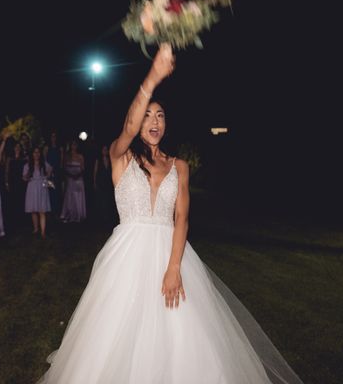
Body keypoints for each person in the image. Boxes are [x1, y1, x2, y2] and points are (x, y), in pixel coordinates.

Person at [36, 44, 303, 383]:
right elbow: (129, 127)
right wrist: (153, 78)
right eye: (148, 114)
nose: (154, 121)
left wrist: (174, 268)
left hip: (172, 255)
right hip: (127, 256)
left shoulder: (180, 167)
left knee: (184, 337)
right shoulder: (121, 157)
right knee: (116, 333)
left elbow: (182, 219)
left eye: (160, 115)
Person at [23, 146, 52, 238]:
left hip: (41, 186)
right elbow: (24, 178)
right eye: (35, 152)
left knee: (42, 210)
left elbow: (50, 170)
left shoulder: (44, 164)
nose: (36, 154)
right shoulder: (28, 165)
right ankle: (36, 228)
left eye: (38, 152)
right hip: (32, 186)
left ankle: (43, 231)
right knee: (33, 209)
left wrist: (47, 176)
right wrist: (28, 175)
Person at [59, 139, 86, 223]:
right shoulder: (67, 156)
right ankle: (69, 214)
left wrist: (78, 175)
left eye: (75, 144)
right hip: (70, 178)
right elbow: (64, 168)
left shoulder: (80, 156)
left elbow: (83, 168)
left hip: (78, 179)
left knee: (78, 196)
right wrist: (70, 175)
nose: (73, 146)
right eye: (72, 144)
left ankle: (78, 215)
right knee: (70, 196)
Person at [93, 143, 116, 226]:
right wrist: (95, 182)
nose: (105, 151)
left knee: (109, 201)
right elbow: (95, 172)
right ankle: (101, 219)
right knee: (101, 201)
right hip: (101, 183)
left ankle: (108, 219)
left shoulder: (110, 160)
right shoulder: (98, 160)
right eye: (104, 149)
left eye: (106, 149)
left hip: (108, 183)